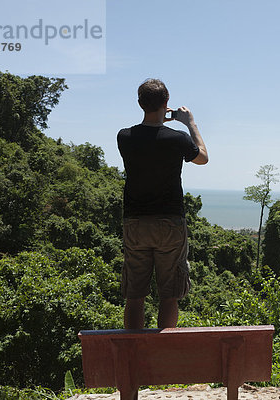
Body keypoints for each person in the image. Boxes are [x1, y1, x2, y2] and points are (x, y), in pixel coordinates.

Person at [117, 78, 208, 334]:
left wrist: (158, 118)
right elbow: (202, 158)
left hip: (135, 223)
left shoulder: (124, 137)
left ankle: (133, 353)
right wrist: (189, 123)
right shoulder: (177, 139)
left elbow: (149, 132)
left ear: (139, 103)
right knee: (169, 294)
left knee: (135, 295)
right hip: (170, 223)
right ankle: (163, 354)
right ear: (166, 103)